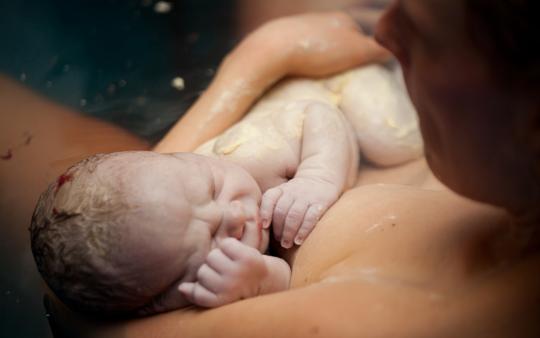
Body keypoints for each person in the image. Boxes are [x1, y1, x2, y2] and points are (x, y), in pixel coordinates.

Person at [46, 2, 540, 337]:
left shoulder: (408, 317)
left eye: (423, 33)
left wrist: (261, 59)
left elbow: (85, 303)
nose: (384, 31)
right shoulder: (496, 167)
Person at [30, 55, 421, 316]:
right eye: (214, 239)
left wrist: (318, 176)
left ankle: (409, 74)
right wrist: (261, 282)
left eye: (213, 188)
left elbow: (317, 114)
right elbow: (290, 281)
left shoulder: (247, 157)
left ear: (192, 160)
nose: (234, 213)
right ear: (173, 296)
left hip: (337, 90)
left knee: (391, 142)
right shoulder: (209, 282)